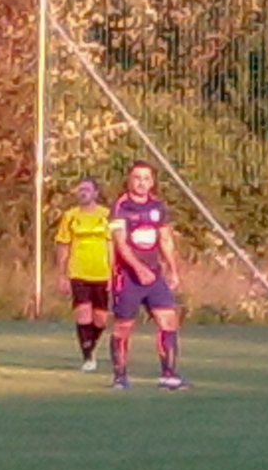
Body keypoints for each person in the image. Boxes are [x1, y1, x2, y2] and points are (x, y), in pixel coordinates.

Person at [108, 160, 188, 390]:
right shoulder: (120, 207)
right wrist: (137, 268)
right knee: (124, 326)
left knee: (168, 319)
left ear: (152, 182)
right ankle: (120, 376)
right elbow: (120, 243)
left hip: (154, 275)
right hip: (127, 276)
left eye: (146, 178)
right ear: (129, 180)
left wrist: (173, 269)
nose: (141, 182)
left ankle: (168, 374)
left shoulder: (157, 207)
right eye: (137, 178)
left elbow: (165, 239)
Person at [54, 177, 113, 372]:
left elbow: (113, 245)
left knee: (100, 318)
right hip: (79, 272)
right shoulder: (70, 216)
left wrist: (114, 273)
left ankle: (91, 345)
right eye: (80, 190)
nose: (83, 193)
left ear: (96, 193)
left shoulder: (107, 215)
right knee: (83, 313)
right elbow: (63, 245)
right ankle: (88, 357)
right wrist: (62, 275)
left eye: (87, 189)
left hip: (102, 273)